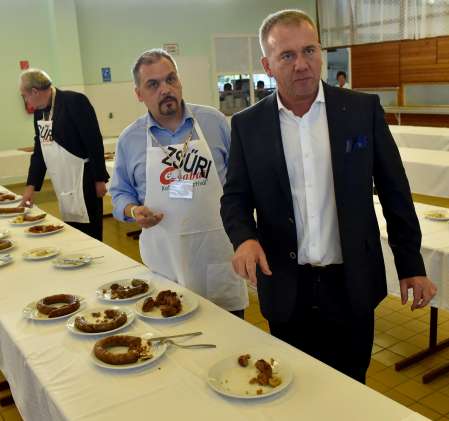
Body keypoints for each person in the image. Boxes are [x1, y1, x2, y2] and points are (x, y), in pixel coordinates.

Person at [220, 9, 437, 383]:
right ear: (267, 65)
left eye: (309, 51)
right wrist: (244, 238)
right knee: (290, 386)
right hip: (287, 285)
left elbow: (394, 191)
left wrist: (411, 264)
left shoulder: (361, 110)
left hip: (350, 283)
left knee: (352, 385)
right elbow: (235, 198)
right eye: (287, 55)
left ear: (320, 52)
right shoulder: (247, 125)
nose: (301, 64)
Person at [110, 49, 248, 317]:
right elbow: (120, 193)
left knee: (229, 334)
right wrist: (133, 211)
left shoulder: (214, 122)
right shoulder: (130, 139)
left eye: (170, 79)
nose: (165, 89)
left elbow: (241, 182)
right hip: (165, 263)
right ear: (138, 94)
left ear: (180, 81)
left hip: (218, 257)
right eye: (153, 84)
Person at [19, 69, 109, 241]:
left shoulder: (74, 101)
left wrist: (99, 179)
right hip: (63, 181)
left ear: (35, 91)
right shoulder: (40, 112)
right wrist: (31, 187)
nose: (26, 100)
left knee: (91, 234)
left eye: (25, 96)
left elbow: (93, 141)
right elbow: (40, 150)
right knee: (73, 232)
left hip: (84, 178)